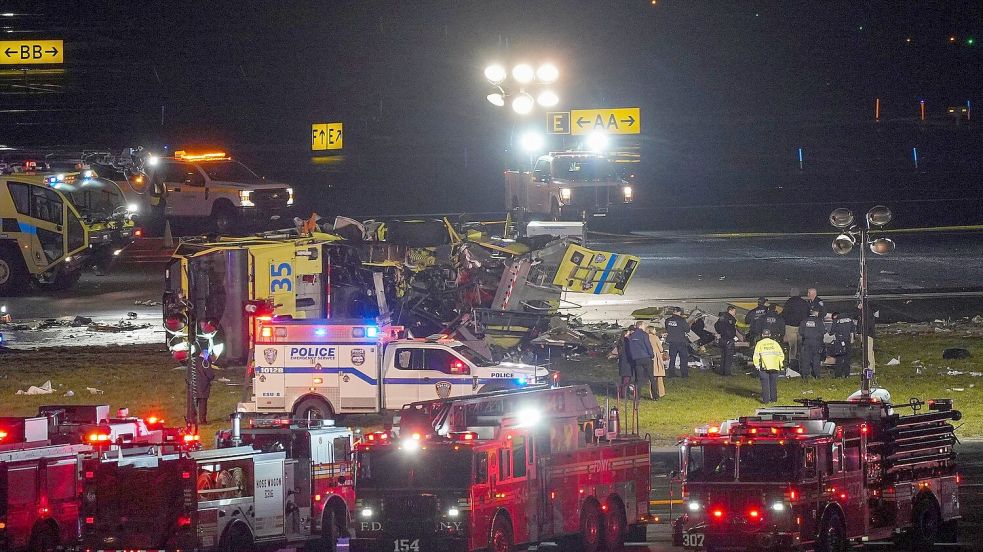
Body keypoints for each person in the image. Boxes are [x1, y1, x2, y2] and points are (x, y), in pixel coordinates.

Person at [753, 329, 785, 403]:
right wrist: (780, 364)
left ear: (762, 335)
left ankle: (766, 400)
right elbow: (781, 355)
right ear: (770, 335)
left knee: (765, 384)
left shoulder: (759, 343)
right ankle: (774, 399)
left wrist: (757, 365)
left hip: (764, 366)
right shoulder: (775, 343)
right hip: (774, 366)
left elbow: (756, 355)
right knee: (773, 383)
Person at [627, 321, 656, 400]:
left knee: (639, 378)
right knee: (651, 377)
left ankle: (637, 396)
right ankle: (655, 396)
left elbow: (631, 348)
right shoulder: (644, 334)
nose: (645, 327)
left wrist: (633, 357)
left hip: (637, 359)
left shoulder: (632, 336)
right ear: (640, 326)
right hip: (646, 357)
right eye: (644, 325)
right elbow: (648, 345)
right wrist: (652, 355)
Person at [782, 288, 810, 368]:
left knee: (792, 346)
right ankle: (802, 361)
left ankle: (792, 363)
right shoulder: (804, 303)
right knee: (800, 345)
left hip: (790, 327)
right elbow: (808, 314)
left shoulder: (788, 303)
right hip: (801, 327)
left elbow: (784, 315)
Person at [187, 358, 216, 424]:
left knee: (192, 404)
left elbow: (188, 374)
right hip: (203, 386)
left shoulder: (192, 361)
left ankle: (192, 420)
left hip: (193, 385)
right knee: (202, 403)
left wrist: (189, 382)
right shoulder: (205, 362)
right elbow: (210, 374)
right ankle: (202, 420)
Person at [608, 328, 634, 400]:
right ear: (625, 335)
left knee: (623, 379)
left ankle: (621, 393)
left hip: (622, 363)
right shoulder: (627, 343)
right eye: (629, 334)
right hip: (627, 363)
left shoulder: (620, 343)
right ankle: (624, 394)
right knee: (626, 380)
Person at [799, 308, 824, 380]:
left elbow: (801, 332)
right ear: (816, 313)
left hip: (806, 342)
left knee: (806, 359)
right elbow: (823, 331)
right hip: (816, 342)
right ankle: (816, 375)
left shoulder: (804, 321)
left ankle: (805, 375)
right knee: (816, 358)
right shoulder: (819, 321)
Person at [664, 306, 690, 377]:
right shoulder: (681, 320)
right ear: (679, 312)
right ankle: (684, 374)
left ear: (673, 312)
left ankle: (671, 373)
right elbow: (687, 329)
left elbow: (667, 328)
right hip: (681, 341)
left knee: (672, 358)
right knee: (683, 358)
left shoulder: (668, 320)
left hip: (672, 342)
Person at [713, 305, 738, 376]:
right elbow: (730, 330)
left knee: (723, 356)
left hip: (722, 339)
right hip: (728, 340)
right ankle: (727, 373)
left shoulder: (722, 317)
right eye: (734, 311)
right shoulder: (730, 318)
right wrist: (731, 337)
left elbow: (716, 325)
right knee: (729, 357)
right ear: (730, 310)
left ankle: (722, 371)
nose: (735, 313)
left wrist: (720, 333)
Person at [830, 311, 855, 378]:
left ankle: (838, 375)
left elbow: (831, 332)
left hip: (839, 342)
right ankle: (847, 374)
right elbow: (852, 331)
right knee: (847, 358)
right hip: (848, 342)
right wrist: (851, 341)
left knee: (839, 359)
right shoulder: (849, 320)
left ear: (835, 316)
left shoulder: (836, 320)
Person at [645, 326, 667, 400]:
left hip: (648, 357)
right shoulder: (655, 337)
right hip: (656, 357)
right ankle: (661, 392)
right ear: (652, 330)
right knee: (659, 376)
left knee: (651, 378)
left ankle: (652, 394)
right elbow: (661, 349)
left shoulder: (645, 337)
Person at [857, 302, 876, 372]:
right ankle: (872, 368)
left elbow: (865, 323)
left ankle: (870, 368)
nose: (858, 306)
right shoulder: (867, 312)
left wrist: (863, 332)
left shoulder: (866, 312)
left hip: (867, 334)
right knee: (870, 351)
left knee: (868, 351)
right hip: (868, 334)